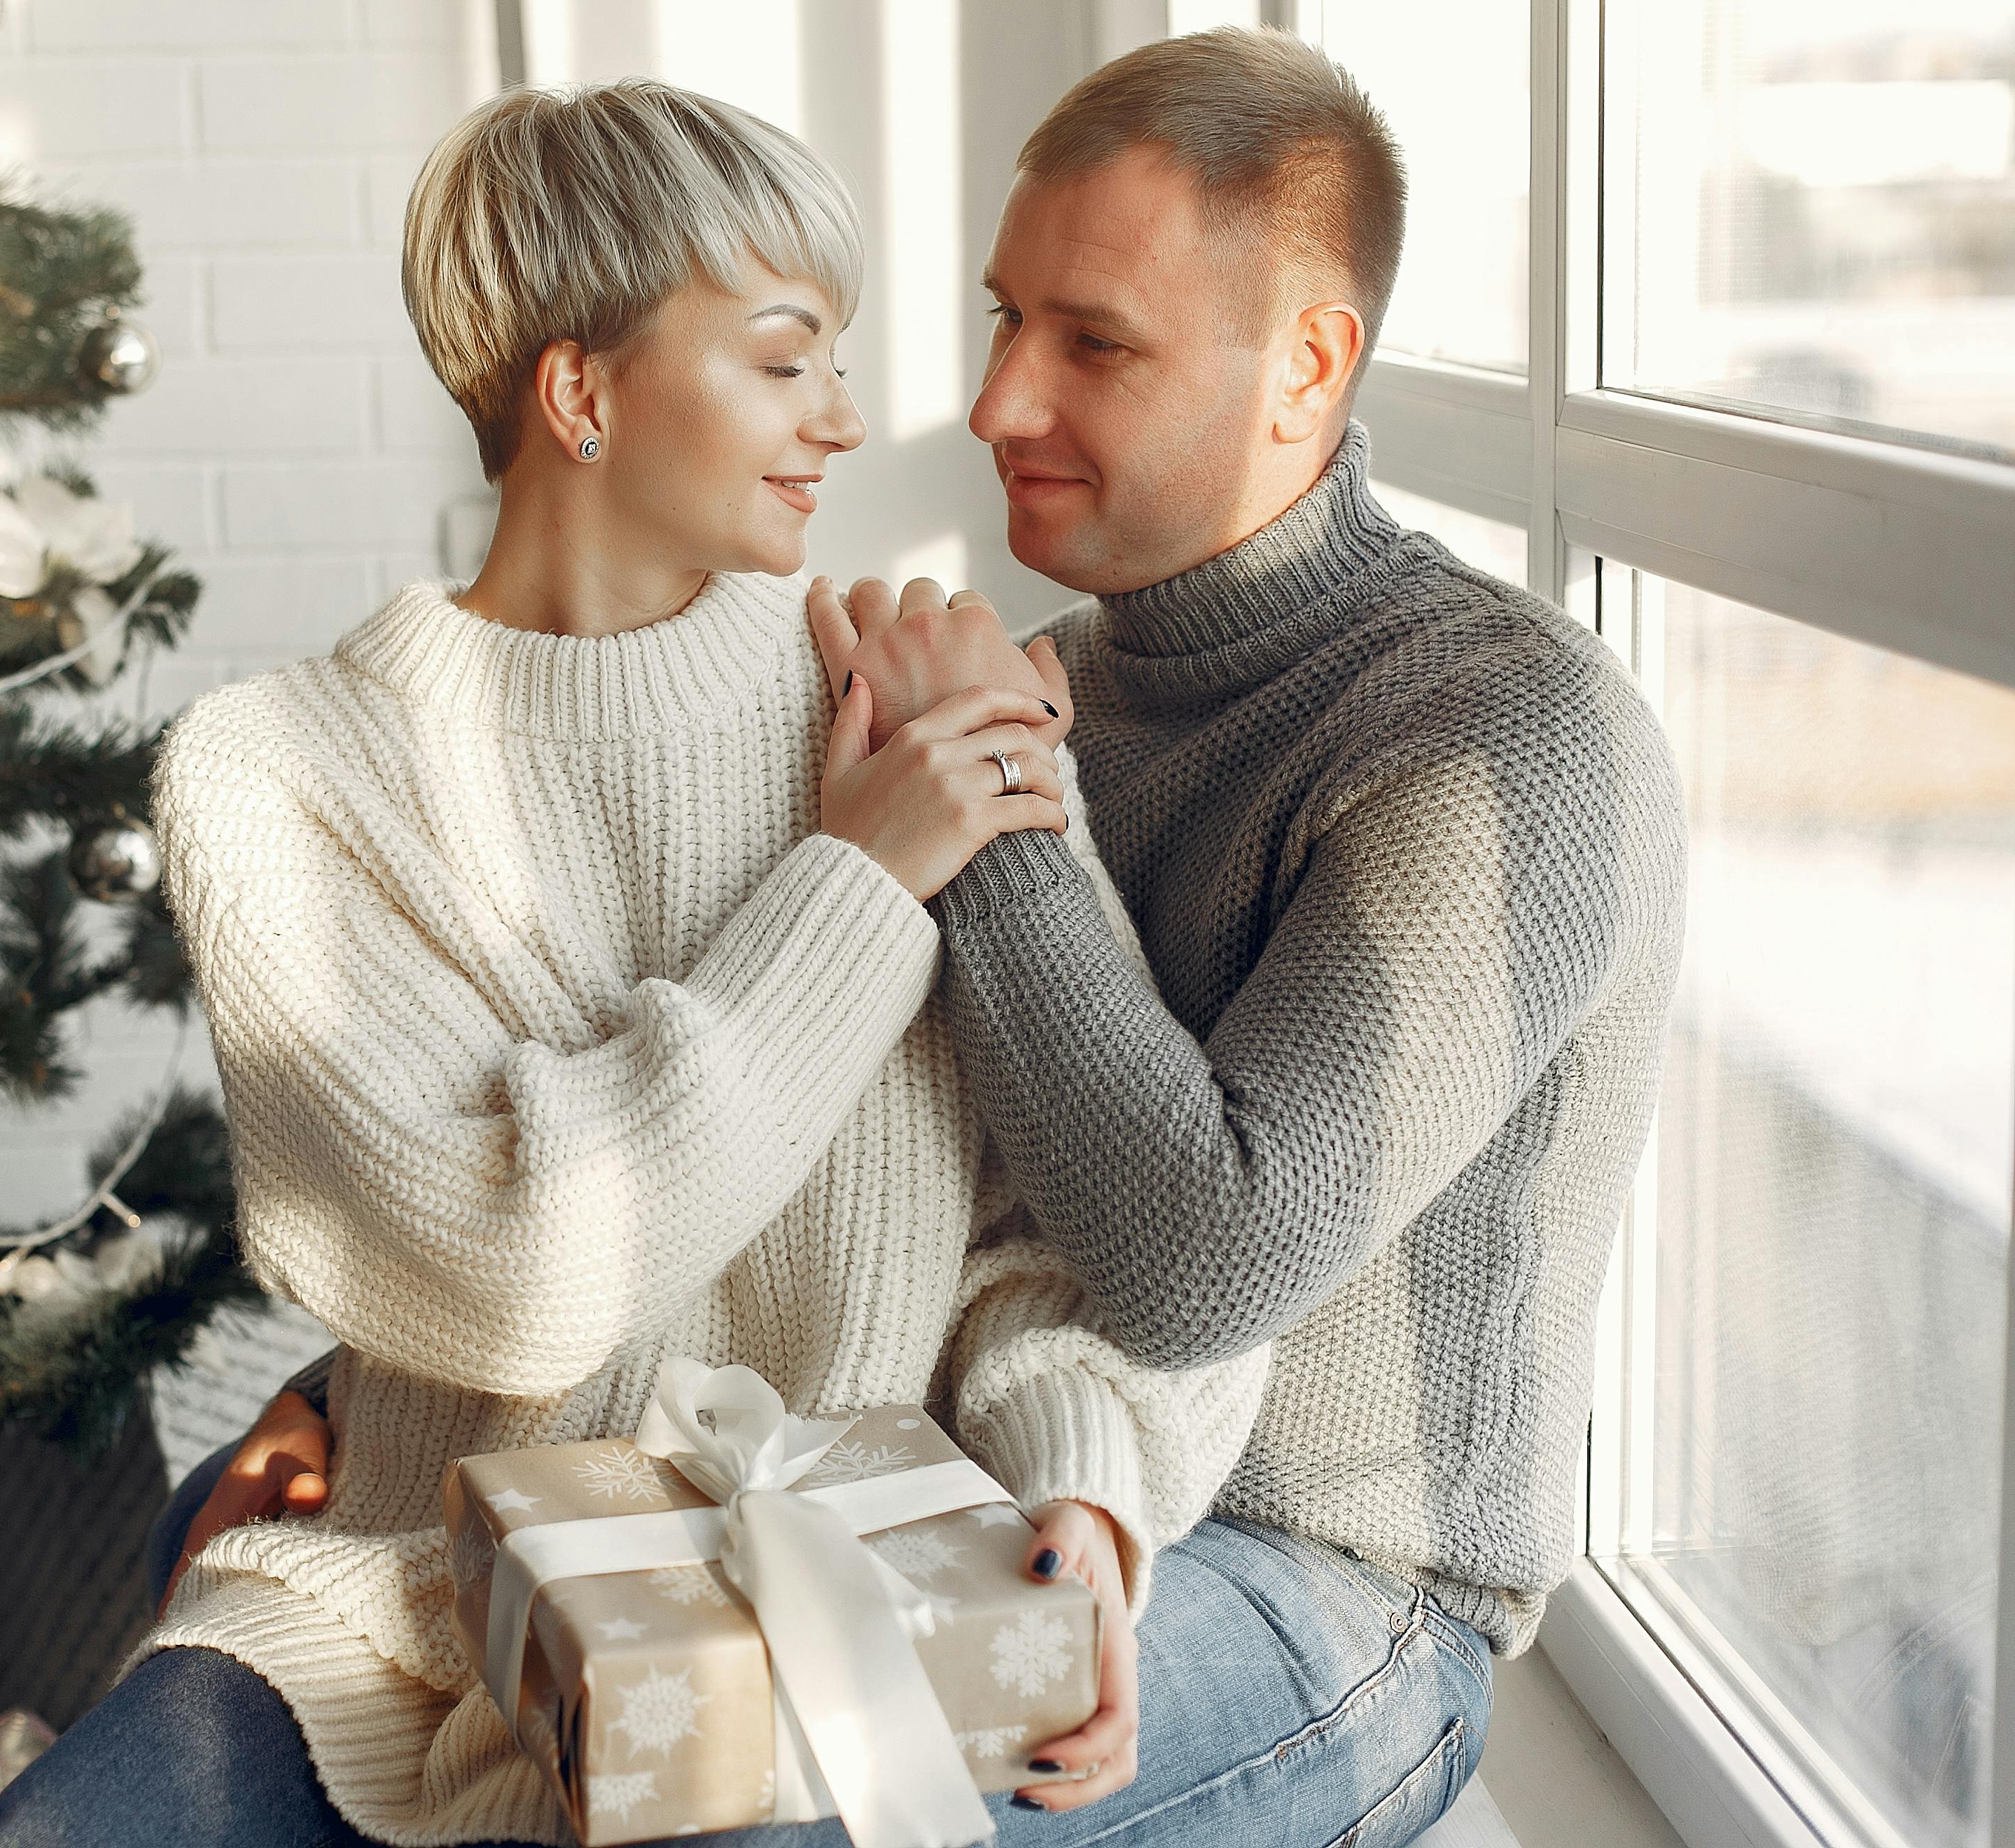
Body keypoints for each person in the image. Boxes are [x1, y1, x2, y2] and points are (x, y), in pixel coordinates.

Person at [180, 26, 1688, 1846]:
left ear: (1308, 366)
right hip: (968, 1476)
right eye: (1003, 321)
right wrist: (358, 1379)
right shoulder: (1020, 687)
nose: (992, 408)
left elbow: (1203, 1264)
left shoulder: (1505, 738)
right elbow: (866, 1181)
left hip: (1329, 1576)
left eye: (1093, 345)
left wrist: (991, 817)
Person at [0, 78, 1268, 1848]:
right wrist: (852, 886)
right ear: (579, 392)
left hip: (823, 1603)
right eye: (785, 359)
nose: (848, 420)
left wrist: (1086, 1500)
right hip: (408, 1608)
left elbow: (1078, 1229)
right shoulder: (277, 778)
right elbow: (515, 1268)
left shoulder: (918, 700)